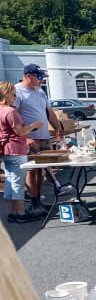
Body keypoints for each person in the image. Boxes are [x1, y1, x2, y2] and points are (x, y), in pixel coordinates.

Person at [14, 63, 66, 215]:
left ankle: (38, 202)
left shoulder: (40, 91)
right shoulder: (18, 92)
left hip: (43, 137)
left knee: (40, 172)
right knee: (32, 171)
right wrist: (26, 137)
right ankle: (34, 202)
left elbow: (49, 112)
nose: (41, 80)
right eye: (39, 77)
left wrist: (57, 129)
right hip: (30, 139)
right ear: (28, 76)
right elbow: (14, 116)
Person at [0, 82, 43, 223]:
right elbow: (21, 132)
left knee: (10, 181)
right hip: (16, 149)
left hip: (4, 149)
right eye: (13, 93)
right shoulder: (10, 111)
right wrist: (34, 126)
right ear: (6, 94)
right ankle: (21, 213)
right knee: (17, 182)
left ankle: (13, 212)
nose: (15, 96)